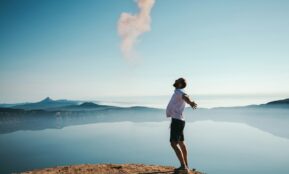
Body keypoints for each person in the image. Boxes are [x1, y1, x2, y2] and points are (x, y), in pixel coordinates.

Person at [166, 78, 197, 173]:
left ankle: (183, 167)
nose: (175, 80)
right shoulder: (178, 92)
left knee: (173, 143)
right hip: (178, 120)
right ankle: (186, 166)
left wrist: (190, 102)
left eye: (177, 80)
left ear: (179, 84)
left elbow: (185, 97)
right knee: (181, 142)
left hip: (177, 120)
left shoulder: (179, 92)